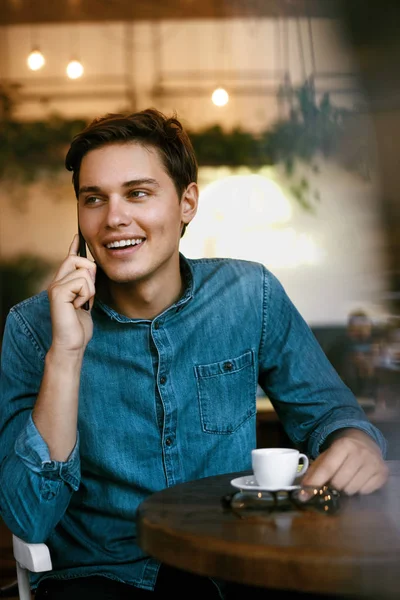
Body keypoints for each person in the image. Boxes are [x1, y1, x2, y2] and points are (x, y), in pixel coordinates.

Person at [0, 109, 389, 600]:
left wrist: (353, 438)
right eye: (93, 199)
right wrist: (67, 353)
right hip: (104, 576)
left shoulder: (251, 294)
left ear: (187, 203)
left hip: (238, 562)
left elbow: (330, 411)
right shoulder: (32, 327)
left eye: (137, 193)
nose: (114, 217)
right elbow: (28, 514)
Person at [326, 310, 379, 400]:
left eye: (366, 326)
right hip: (342, 387)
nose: (364, 330)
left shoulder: (372, 344)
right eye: (360, 327)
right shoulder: (341, 344)